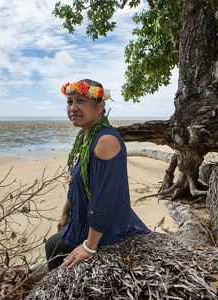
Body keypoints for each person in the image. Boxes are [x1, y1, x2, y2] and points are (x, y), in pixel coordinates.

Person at [45, 79, 150, 271]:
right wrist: (66, 211)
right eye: (70, 102)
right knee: (53, 245)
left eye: (81, 101)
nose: (73, 108)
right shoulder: (84, 136)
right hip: (83, 219)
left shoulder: (105, 140)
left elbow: (104, 199)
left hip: (107, 228)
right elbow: (75, 180)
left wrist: (89, 246)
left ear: (101, 105)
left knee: (54, 246)